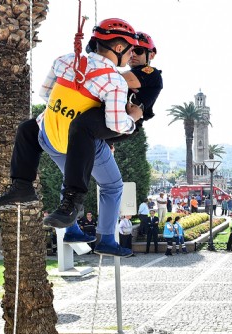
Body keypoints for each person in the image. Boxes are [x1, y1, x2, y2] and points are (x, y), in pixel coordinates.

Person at [0, 18, 142, 257]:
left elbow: (46, 94)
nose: (131, 56)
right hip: (80, 143)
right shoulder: (114, 80)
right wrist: (134, 118)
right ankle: (105, 240)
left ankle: (24, 188)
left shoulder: (65, 60)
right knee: (112, 186)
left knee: (29, 130)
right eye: (131, 51)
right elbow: (116, 124)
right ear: (119, 48)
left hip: (49, 137)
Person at [42, 30, 162, 228]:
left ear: (152, 55)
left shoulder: (150, 73)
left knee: (82, 141)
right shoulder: (115, 73)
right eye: (131, 50)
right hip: (104, 119)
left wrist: (96, 58)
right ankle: (70, 217)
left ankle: (78, 214)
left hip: (120, 122)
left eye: (138, 50)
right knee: (76, 159)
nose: (133, 54)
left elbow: (115, 79)